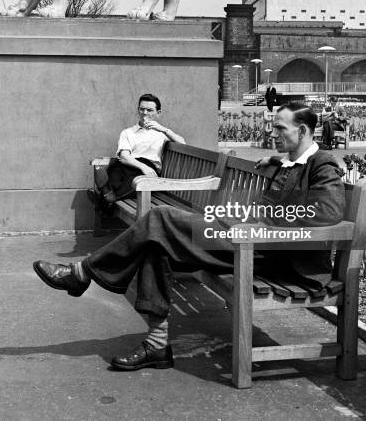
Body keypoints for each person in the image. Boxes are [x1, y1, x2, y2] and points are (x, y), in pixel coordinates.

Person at [34, 103, 346, 371]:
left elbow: (328, 212)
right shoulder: (290, 161)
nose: (273, 134)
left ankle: (82, 273)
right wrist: (275, 164)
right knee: (155, 241)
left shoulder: (323, 163)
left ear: (303, 131)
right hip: (246, 240)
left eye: (280, 129)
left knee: (159, 218)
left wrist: (264, 225)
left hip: (276, 256)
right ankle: (156, 345)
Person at [87, 94, 186, 211]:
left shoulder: (162, 133)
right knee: (115, 173)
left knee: (136, 181)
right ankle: (107, 197)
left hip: (149, 170)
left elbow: (183, 144)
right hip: (130, 164)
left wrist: (164, 130)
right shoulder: (128, 132)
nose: (144, 113)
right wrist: (142, 166)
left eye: (149, 110)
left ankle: (103, 198)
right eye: (141, 109)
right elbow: (124, 157)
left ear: (158, 113)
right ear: (138, 110)